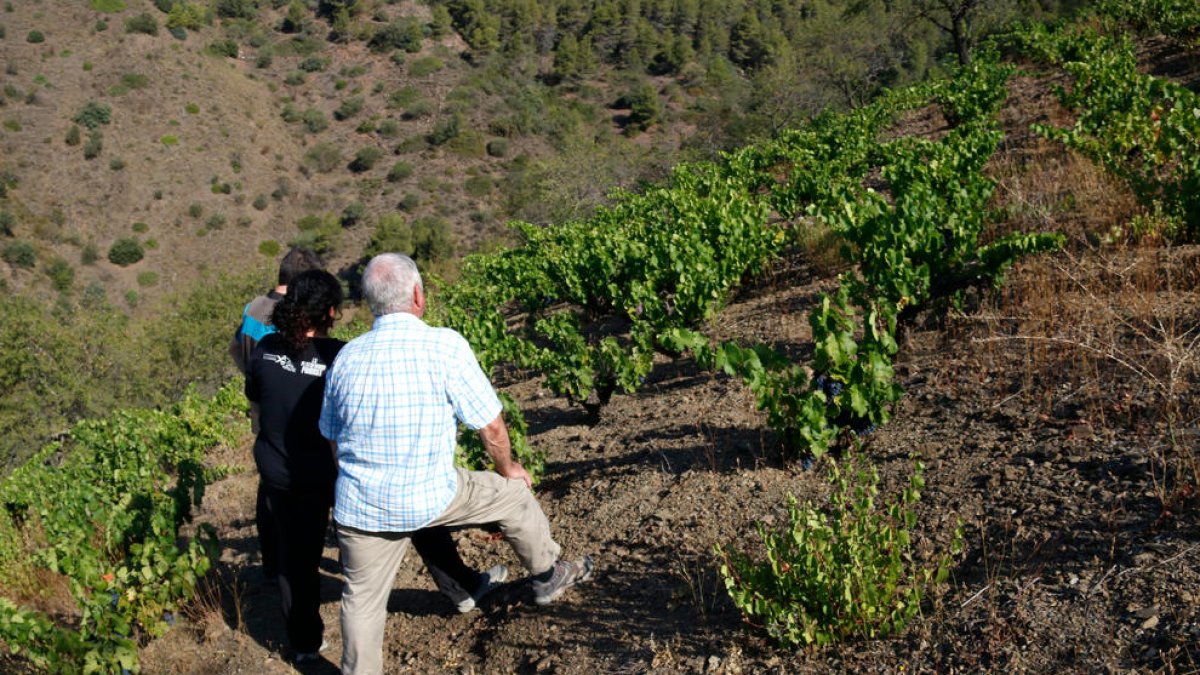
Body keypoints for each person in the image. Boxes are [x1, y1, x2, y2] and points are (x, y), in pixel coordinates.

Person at [320, 253, 594, 675]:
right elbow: (491, 428)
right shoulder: (444, 345)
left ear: (371, 302)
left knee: (361, 600)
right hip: (431, 495)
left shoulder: (346, 359)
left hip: (361, 507)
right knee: (515, 497)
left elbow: (334, 442)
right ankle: (547, 574)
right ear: (417, 295)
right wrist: (508, 469)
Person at [231, 247, 323, 581]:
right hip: (290, 411)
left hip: (261, 407)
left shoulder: (253, 308)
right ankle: (297, 560)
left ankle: (272, 560)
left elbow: (237, 350)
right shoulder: (288, 315)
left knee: (269, 484)